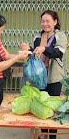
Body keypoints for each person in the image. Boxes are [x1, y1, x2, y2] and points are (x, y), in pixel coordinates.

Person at [21, 10, 67, 139]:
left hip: (54, 78)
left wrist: (44, 49)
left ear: (55, 22)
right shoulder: (37, 36)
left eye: (48, 21)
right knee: (40, 107)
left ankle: (51, 137)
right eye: (43, 21)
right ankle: (43, 134)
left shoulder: (60, 36)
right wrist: (27, 49)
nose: (45, 24)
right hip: (38, 78)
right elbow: (34, 53)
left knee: (52, 109)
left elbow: (58, 53)